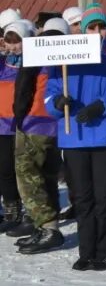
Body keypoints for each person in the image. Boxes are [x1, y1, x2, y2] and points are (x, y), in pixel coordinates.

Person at [47, 3, 106, 271]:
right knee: (82, 198)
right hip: (74, 136)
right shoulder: (63, 57)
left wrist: (103, 105)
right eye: (92, 26)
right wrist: (57, 102)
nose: (97, 32)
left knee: (104, 197)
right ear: (83, 29)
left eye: (102, 27)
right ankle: (87, 251)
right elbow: (50, 90)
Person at [10, 18, 69, 253]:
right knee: (48, 175)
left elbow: (24, 86)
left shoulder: (38, 48)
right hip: (56, 123)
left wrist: (19, 115)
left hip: (34, 120)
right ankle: (44, 225)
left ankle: (48, 228)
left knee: (27, 174)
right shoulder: (70, 52)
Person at [0, 19, 33, 235]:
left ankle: (30, 211)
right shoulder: (2, 64)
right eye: (9, 41)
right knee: (4, 170)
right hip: (3, 125)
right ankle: (11, 209)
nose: (13, 46)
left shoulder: (32, 64)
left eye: (17, 41)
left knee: (24, 170)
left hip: (25, 125)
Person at [57, 6, 83, 222]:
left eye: (79, 24)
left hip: (87, 115)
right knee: (71, 169)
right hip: (67, 117)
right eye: (74, 25)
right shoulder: (62, 46)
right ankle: (75, 203)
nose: (78, 29)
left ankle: (83, 204)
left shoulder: (88, 46)